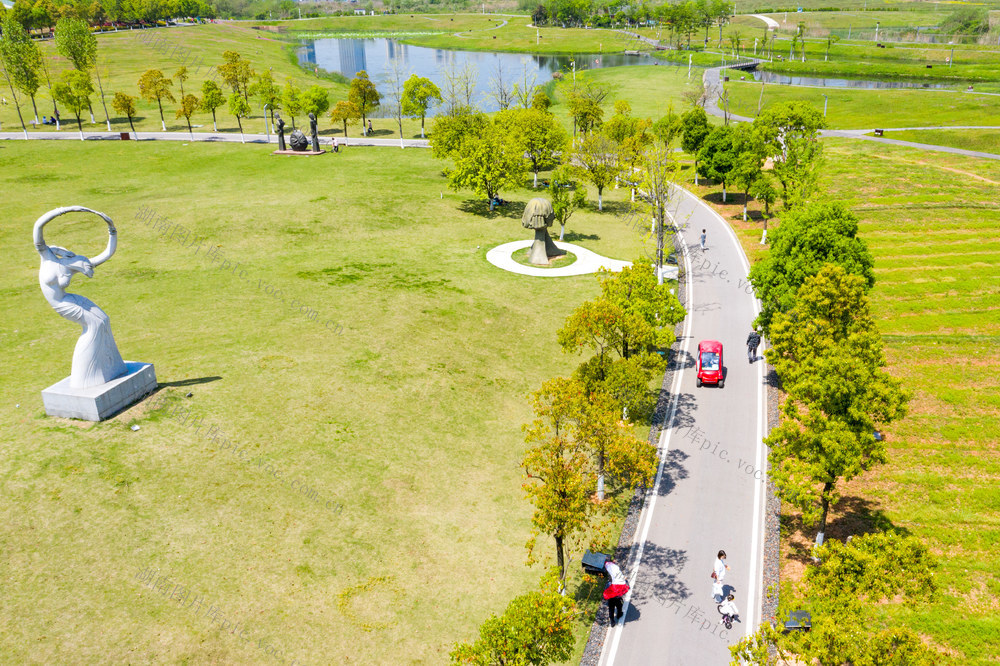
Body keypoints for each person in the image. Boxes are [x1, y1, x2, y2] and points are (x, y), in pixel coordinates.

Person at [603, 558, 629, 626]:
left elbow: (606, 590)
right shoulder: (619, 580)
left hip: (611, 598)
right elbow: (626, 584)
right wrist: (625, 580)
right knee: (619, 606)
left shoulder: (609, 584)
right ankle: (619, 614)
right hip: (617, 597)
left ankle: (612, 621)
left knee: (611, 609)